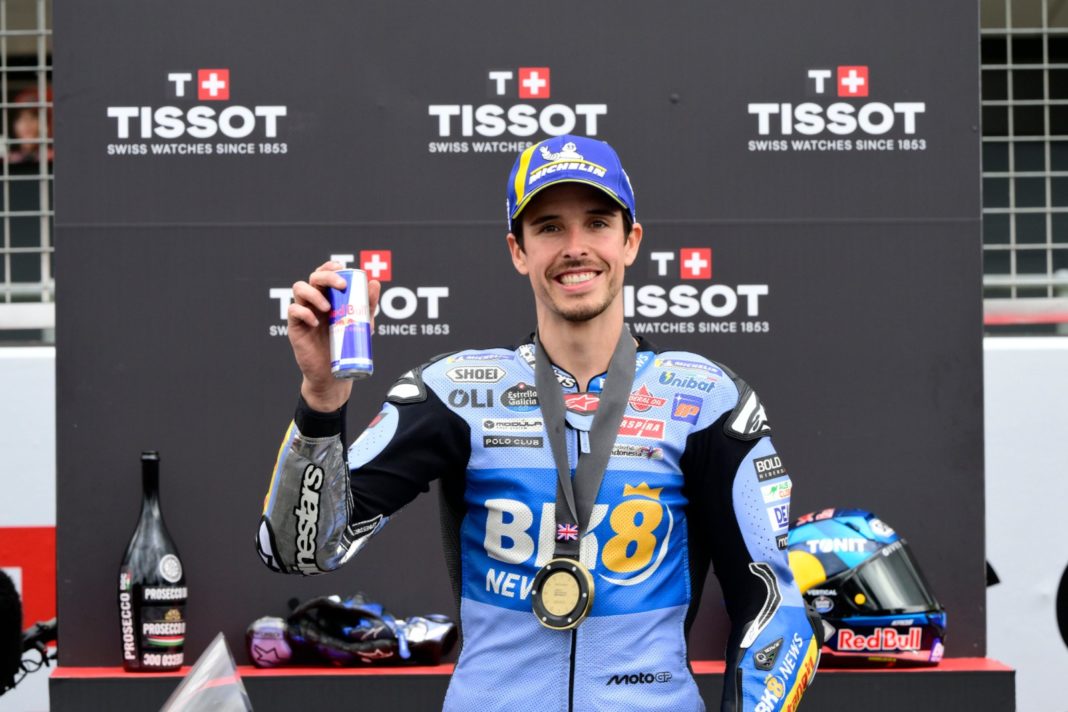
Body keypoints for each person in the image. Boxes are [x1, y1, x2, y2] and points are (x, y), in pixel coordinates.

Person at [257, 135, 819, 711]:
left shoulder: (706, 400)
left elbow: (776, 612)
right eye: (549, 227)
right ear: (518, 250)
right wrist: (322, 399)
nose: (575, 248)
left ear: (630, 241)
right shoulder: (457, 392)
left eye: (596, 223)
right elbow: (300, 551)